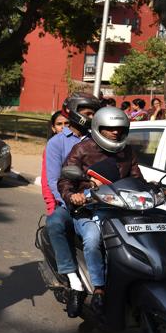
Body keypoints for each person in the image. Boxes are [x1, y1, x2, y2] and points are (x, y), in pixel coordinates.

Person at [57, 107, 166, 315]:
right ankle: (99, 288)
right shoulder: (82, 149)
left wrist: (160, 190)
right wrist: (72, 196)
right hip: (88, 209)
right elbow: (65, 180)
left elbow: (137, 181)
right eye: (109, 129)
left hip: (120, 209)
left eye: (120, 129)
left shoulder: (126, 151)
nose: (115, 132)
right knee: (93, 239)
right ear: (98, 128)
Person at [44, 93, 100, 318]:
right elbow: (52, 179)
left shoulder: (98, 139)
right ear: (76, 113)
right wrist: (71, 198)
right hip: (69, 202)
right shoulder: (57, 142)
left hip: (99, 202)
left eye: (94, 113)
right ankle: (74, 279)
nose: (92, 117)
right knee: (55, 222)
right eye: (88, 113)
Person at [41, 111, 69, 215]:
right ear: (53, 128)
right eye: (59, 124)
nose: (63, 127)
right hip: (59, 204)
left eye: (67, 123)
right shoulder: (51, 147)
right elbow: (47, 181)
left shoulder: (81, 144)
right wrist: (51, 207)